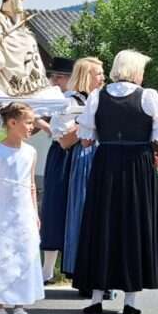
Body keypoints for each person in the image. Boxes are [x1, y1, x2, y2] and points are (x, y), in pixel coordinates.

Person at [73, 50, 158, 314]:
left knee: (101, 224)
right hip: (137, 165)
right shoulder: (148, 96)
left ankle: (96, 298)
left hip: (106, 164)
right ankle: (130, 302)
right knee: (134, 225)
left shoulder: (97, 96)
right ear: (134, 70)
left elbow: (85, 140)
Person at [0, 101, 44, 314]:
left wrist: (35, 212)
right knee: (1, 254)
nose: (32, 127)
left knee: (24, 254)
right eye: (28, 123)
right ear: (12, 123)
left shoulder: (31, 152)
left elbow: (30, 184)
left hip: (24, 211)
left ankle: (20, 304)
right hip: (2, 209)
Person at [62, 57, 106, 281]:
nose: (103, 78)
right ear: (85, 76)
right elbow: (64, 140)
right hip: (84, 157)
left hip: (102, 155)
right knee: (81, 210)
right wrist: (86, 122)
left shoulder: (104, 98)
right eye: (98, 73)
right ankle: (77, 266)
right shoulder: (71, 101)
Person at [38, 56, 77, 283]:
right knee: (53, 208)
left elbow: (57, 132)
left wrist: (41, 123)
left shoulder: (71, 100)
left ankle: (62, 265)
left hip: (68, 152)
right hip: (60, 155)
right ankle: (48, 268)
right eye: (54, 76)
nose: (54, 81)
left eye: (58, 77)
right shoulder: (57, 100)